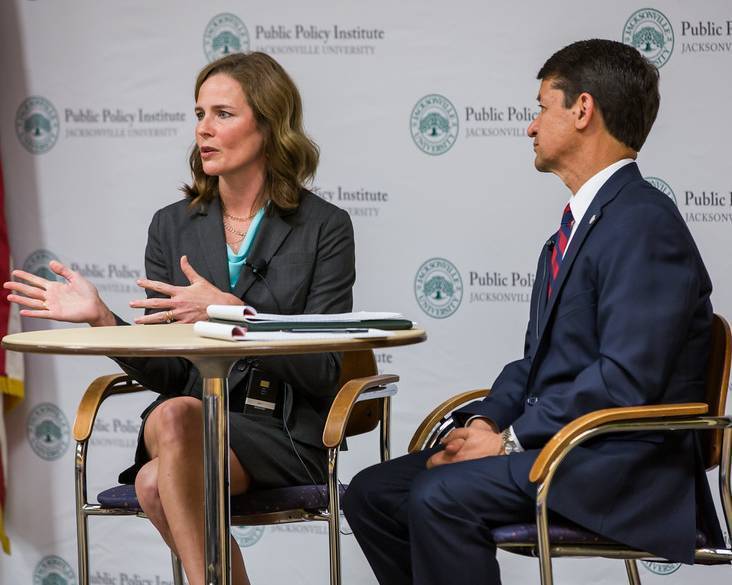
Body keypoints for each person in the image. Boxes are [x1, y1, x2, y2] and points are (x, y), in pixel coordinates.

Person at [343, 39, 724, 584]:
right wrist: (486, 420)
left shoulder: (642, 223)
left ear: (583, 110)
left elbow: (626, 378)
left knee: (439, 496)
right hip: (567, 447)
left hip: (622, 465)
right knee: (375, 494)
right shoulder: (573, 232)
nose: (530, 125)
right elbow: (534, 363)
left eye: (542, 106)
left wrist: (509, 441)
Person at [4, 52, 355, 585]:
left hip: (283, 429)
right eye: (198, 114)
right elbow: (170, 374)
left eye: (223, 114)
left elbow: (326, 370)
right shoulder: (172, 227)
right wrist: (103, 319)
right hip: (191, 422)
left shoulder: (325, 227)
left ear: (268, 123)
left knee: (152, 485)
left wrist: (238, 313)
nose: (204, 130)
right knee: (172, 415)